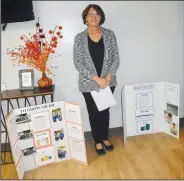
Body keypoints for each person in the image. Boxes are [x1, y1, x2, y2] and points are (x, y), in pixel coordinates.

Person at [73, 4, 120, 155]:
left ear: (101, 17)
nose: (94, 17)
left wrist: (107, 77)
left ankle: (105, 137)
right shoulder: (79, 38)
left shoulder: (110, 34)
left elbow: (115, 58)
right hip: (88, 83)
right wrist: (96, 79)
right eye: (90, 14)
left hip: (108, 81)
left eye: (97, 14)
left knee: (105, 110)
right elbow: (78, 63)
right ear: (85, 18)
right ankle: (98, 140)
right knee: (94, 112)